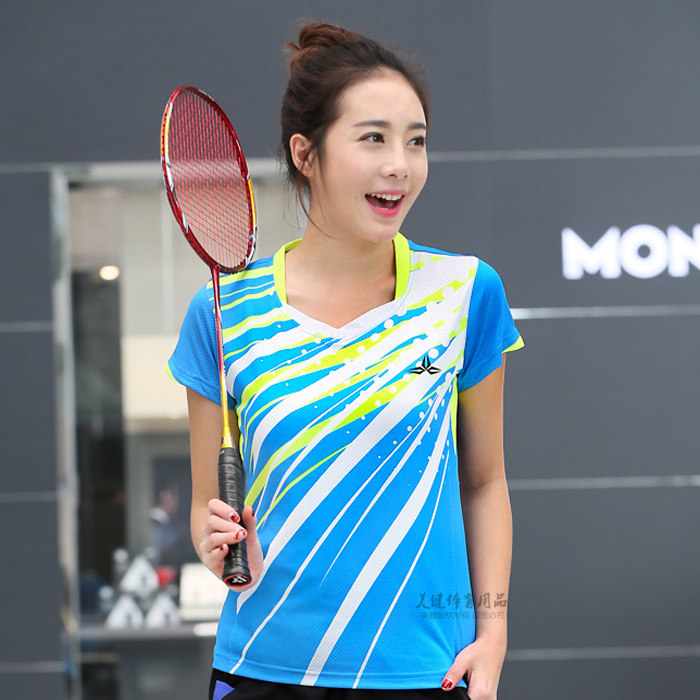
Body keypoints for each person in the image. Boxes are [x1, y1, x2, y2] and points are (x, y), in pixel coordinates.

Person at [168, 20, 523, 700]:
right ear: (306, 154)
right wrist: (216, 543)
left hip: (426, 671)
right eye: (373, 139)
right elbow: (206, 510)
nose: (401, 166)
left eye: (416, 141)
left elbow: (483, 482)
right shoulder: (221, 313)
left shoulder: (464, 292)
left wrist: (494, 632)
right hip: (262, 669)